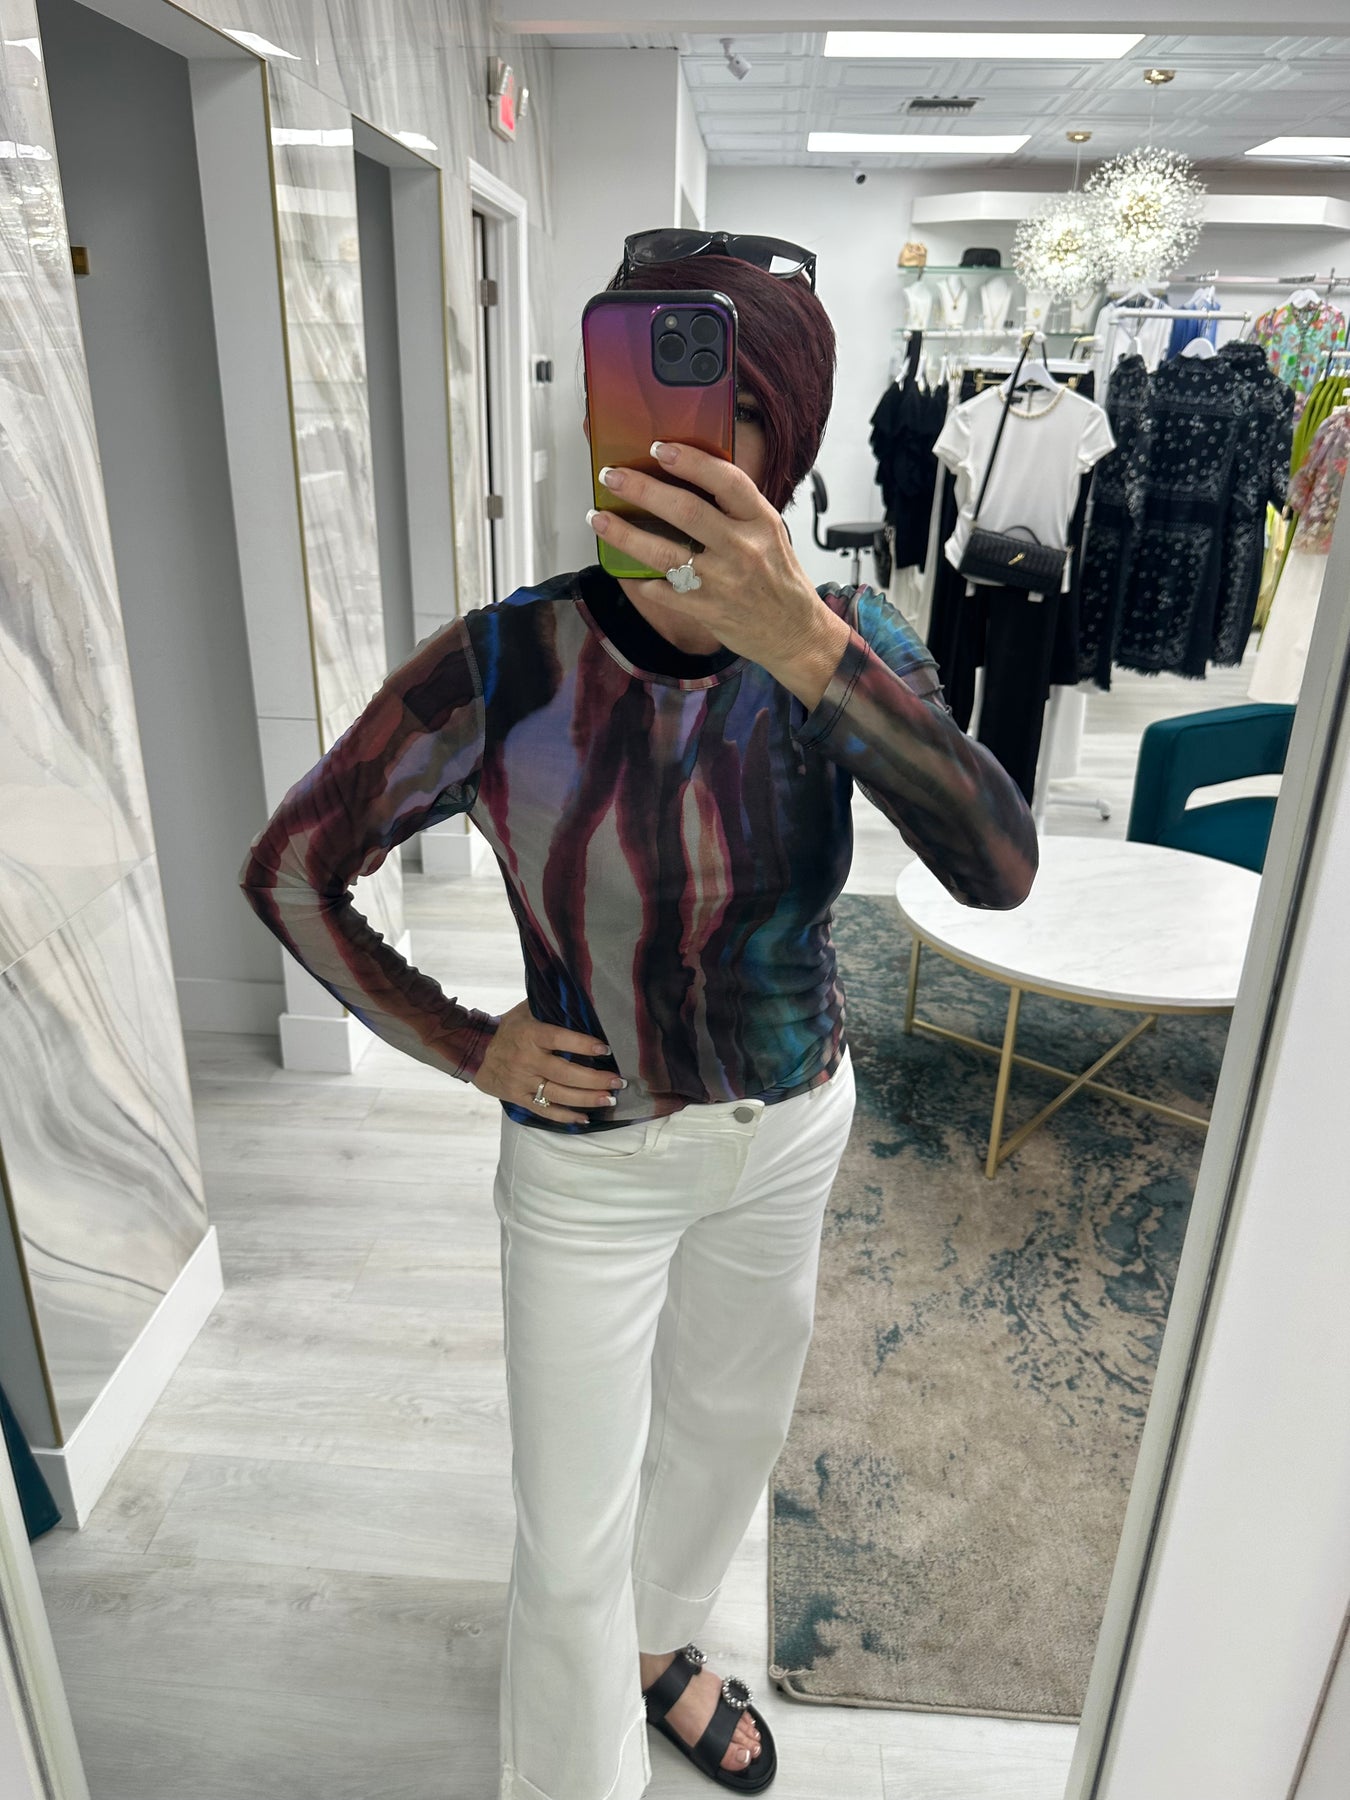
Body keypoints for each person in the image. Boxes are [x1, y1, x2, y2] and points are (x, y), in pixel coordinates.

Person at [239, 227, 1038, 1800]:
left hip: (789, 1129)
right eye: (637, 406)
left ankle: (665, 1649)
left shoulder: (849, 645)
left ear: (783, 447)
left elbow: (997, 868)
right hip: (589, 1160)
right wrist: (465, 1039)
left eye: (719, 420)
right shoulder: (505, 663)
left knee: (729, 1437)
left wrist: (803, 647)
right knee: (568, 1537)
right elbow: (288, 872)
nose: (668, 452)